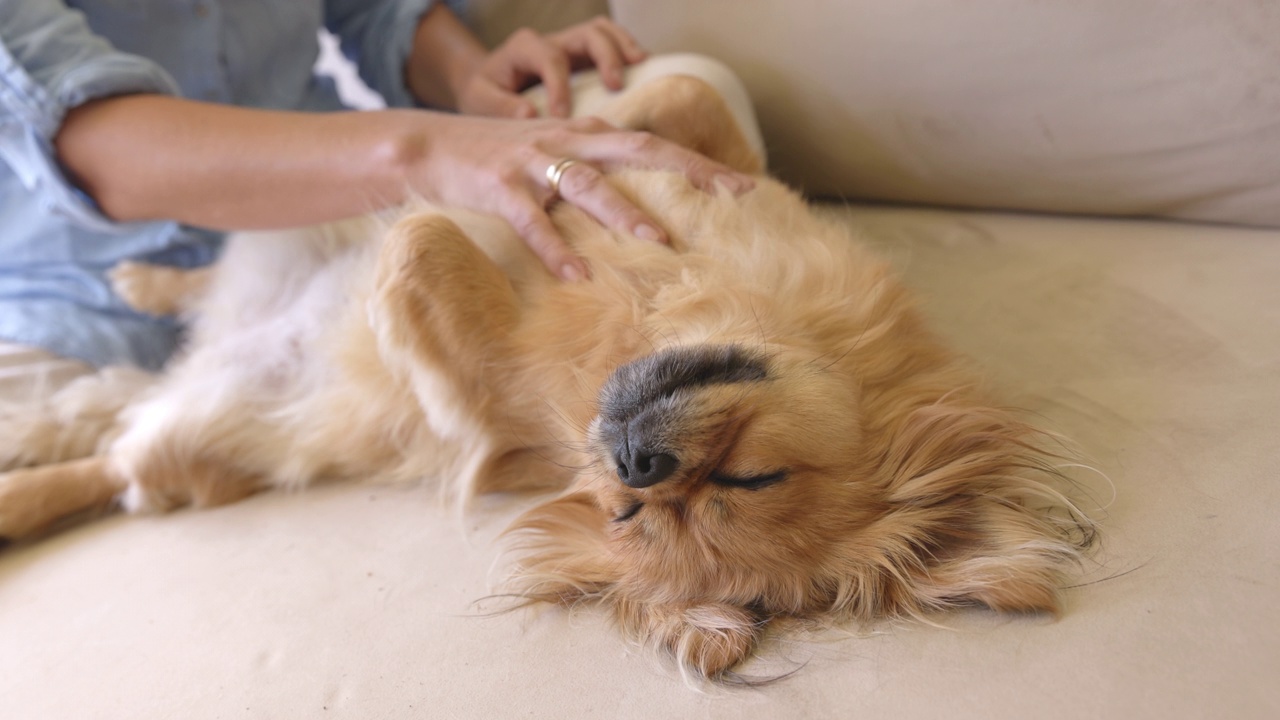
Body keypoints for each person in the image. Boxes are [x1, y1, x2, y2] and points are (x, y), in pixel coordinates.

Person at [0, 0, 751, 401]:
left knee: (691, 94)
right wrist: (426, 150)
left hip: (333, 238)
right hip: (72, 306)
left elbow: (375, 9)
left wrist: (465, 78)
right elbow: (91, 143)